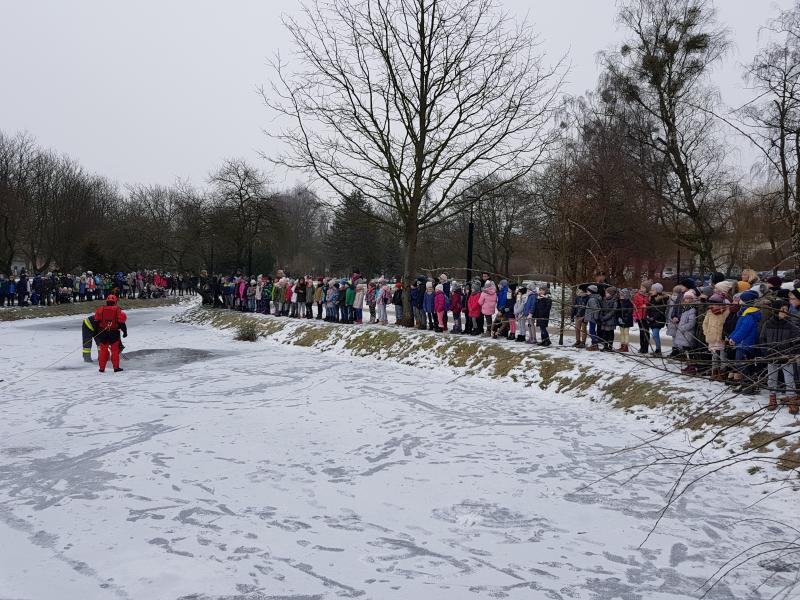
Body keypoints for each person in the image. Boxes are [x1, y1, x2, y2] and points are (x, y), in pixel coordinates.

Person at [759, 300, 798, 412]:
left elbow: (796, 341)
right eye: (783, 310)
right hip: (772, 355)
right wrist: (766, 351)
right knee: (772, 378)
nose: (785, 312)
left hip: (786, 356)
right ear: (775, 311)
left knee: (789, 378)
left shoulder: (790, 325)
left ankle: (791, 399)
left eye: (786, 309)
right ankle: (772, 398)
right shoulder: (768, 324)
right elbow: (762, 339)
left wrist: (792, 353)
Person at [728, 290, 763, 394]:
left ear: (746, 301)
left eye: (741, 300)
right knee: (741, 364)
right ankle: (744, 384)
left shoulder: (750, 314)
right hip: (741, 343)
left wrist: (735, 339)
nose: (739, 301)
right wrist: (731, 336)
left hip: (746, 343)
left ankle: (750, 385)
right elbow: (738, 328)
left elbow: (744, 329)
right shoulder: (745, 312)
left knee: (742, 364)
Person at [93, 294, 128, 373]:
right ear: (115, 301)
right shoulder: (117, 310)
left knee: (103, 351)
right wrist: (125, 332)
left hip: (103, 333)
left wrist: (96, 332)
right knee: (115, 351)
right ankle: (116, 368)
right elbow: (122, 323)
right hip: (114, 333)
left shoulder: (100, 309)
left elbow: (96, 322)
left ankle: (102, 368)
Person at [646, 283, 669, 357]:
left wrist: (654, 317)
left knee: (655, 334)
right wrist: (648, 315)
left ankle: (658, 350)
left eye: (653, 290)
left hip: (658, 320)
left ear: (658, 290)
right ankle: (657, 349)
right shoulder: (651, 298)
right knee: (654, 335)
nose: (651, 291)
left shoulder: (662, 299)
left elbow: (661, 310)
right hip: (651, 319)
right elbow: (649, 308)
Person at [632, 282, 650, 353]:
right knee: (642, 332)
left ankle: (646, 347)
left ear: (647, 289)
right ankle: (642, 347)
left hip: (646, 317)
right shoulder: (637, 295)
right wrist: (635, 316)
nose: (641, 289)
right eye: (641, 287)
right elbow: (635, 306)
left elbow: (650, 305)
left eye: (643, 288)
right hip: (640, 316)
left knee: (646, 332)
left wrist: (646, 305)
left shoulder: (648, 296)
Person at [618, 288, 634, 353]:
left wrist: (625, 319)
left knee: (626, 333)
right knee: (621, 333)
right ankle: (622, 345)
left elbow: (629, 312)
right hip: (621, 320)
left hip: (627, 321)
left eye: (622, 294)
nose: (621, 295)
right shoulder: (620, 302)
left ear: (626, 295)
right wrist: (619, 318)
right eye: (620, 294)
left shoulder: (629, 303)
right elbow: (618, 311)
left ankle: (626, 346)